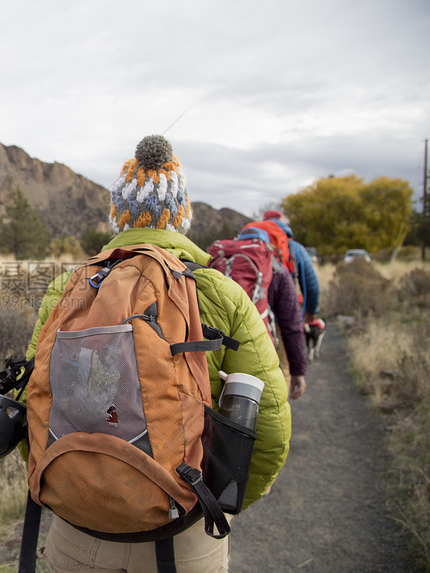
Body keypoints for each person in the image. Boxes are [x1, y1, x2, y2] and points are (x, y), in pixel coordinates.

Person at [23, 135, 292, 572]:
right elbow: (270, 424)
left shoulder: (66, 288)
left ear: (118, 215)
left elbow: (31, 401)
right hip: (182, 529)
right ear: (181, 216)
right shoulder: (218, 290)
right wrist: (220, 498)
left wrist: (67, 483)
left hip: (78, 531)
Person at [235, 228, 308, 400]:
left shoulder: (226, 265)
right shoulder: (279, 271)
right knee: (274, 398)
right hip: (269, 345)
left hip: (230, 344)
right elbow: (292, 325)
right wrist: (298, 371)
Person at [262, 210, 321, 323]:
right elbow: (311, 285)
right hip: (284, 315)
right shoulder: (294, 247)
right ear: (282, 222)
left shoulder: (250, 247)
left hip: (254, 316)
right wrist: (311, 313)